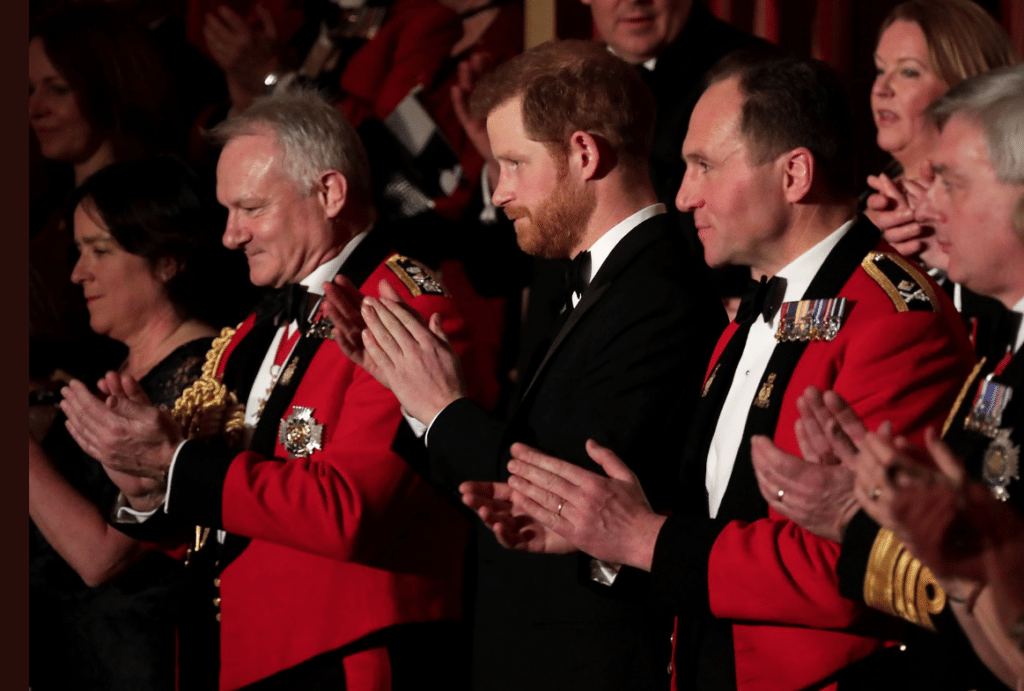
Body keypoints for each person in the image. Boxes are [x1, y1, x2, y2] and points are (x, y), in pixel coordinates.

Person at [463, 52, 977, 690]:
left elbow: (858, 568)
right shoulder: (748, 315)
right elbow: (711, 529)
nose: (683, 196)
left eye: (703, 165)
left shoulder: (891, 322)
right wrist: (601, 536)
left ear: (794, 174)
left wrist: (644, 539)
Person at [325, 39, 727, 691]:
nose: (501, 191)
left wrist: (444, 408)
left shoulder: (660, 293)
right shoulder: (590, 281)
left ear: (583, 153)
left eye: (513, 163)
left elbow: (566, 495)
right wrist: (408, 390)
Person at [59, 88, 483, 691]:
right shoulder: (252, 332)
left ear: (330, 193)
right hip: (241, 657)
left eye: (251, 209)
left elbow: (348, 513)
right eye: (228, 212)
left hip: (345, 658)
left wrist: (178, 464)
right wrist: (150, 487)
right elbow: (230, 524)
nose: (231, 236)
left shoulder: (401, 307)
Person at [751, 64, 1024, 689]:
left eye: (951, 182)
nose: (930, 206)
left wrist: (869, 521)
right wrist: (863, 505)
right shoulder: (1007, 349)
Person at [29, 156, 238, 691]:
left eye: (100, 251)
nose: (78, 273)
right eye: (79, 252)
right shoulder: (114, 372)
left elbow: (102, 554)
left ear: (166, 260)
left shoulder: (202, 374)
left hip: (136, 664)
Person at [30, 2, 184, 386]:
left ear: (109, 86)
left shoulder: (153, 202)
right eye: (30, 90)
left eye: (58, 89)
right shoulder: (45, 206)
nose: (34, 109)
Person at [863, 0, 1017, 358]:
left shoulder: (1004, 210)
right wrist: (862, 252)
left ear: (966, 86)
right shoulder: (856, 214)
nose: (881, 88)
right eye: (880, 70)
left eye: (908, 72)